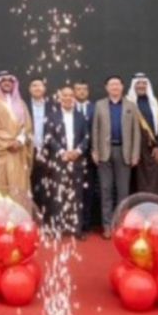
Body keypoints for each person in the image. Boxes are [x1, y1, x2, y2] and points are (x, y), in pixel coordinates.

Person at [92, 75, 141, 239]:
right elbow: (95, 129)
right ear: (106, 88)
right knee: (105, 190)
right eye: (111, 85)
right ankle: (107, 226)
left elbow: (136, 132)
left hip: (124, 152)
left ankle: (120, 225)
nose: (114, 87)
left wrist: (135, 153)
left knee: (123, 191)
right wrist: (94, 150)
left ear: (122, 86)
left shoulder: (131, 105)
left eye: (117, 84)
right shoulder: (99, 105)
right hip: (104, 152)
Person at [45, 85, 90, 238]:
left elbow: (87, 137)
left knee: (77, 195)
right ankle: (57, 228)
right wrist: (62, 152)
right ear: (60, 98)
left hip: (77, 160)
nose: (68, 98)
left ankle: (77, 229)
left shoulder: (81, 116)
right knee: (57, 195)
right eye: (65, 95)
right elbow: (49, 137)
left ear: (74, 98)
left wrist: (77, 151)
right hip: (59, 160)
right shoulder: (52, 116)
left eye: (70, 95)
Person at [0, 71, 33, 198]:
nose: (7, 83)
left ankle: (17, 211)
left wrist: (20, 141)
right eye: (4, 81)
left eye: (10, 81)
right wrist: (9, 142)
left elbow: (27, 126)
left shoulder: (21, 103)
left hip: (17, 152)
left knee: (18, 186)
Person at [127, 73, 158, 198]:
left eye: (144, 83)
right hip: (137, 152)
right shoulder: (128, 102)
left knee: (157, 185)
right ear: (133, 86)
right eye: (138, 83)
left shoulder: (154, 102)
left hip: (154, 150)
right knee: (138, 185)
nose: (141, 86)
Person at [27, 78, 55, 224]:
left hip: (48, 152)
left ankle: (47, 222)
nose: (37, 88)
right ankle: (31, 220)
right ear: (29, 89)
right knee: (29, 187)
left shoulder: (53, 106)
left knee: (48, 188)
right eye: (34, 85)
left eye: (40, 85)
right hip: (27, 152)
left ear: (44, 89)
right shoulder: (23, 106)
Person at [73, 80, 98, 234]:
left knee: (88, 191)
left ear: (88, 91)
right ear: (74, 91)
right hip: (71, 155)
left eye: (84, 89)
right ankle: (73, 223)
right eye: (78, 89)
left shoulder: (95, 108)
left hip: (90, 156)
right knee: (72, 191)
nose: (81, 92)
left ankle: (85, 224)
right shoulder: (67, 107)